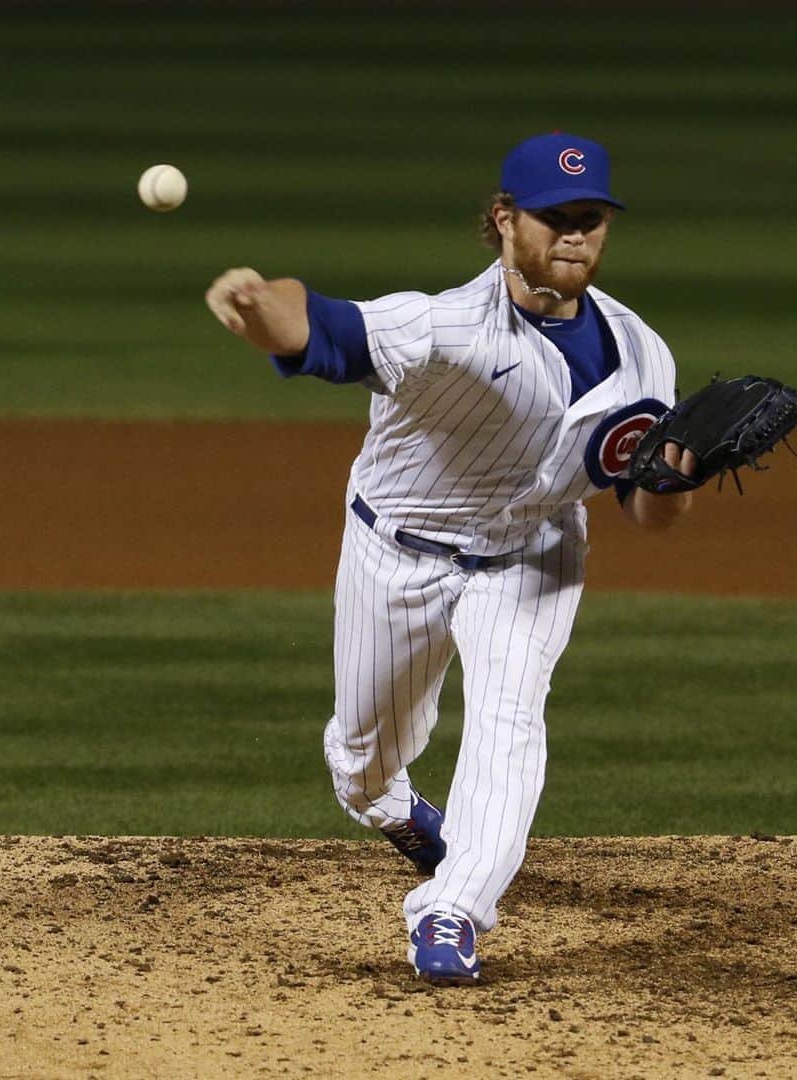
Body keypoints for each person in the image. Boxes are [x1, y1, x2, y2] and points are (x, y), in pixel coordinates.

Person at [205, 132, 695, 986]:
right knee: (361, 762)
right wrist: (259, 303)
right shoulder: (443, 326)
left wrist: (679, 475)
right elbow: (321, 323)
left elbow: (651, 513)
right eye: (557, 218)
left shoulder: (643, 353)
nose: (577, 235)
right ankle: (392, 807)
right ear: (505, 221)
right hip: (394, 553)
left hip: (531, 556)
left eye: (593, 219)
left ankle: (451, 911)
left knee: (511, 717)